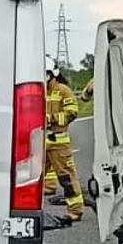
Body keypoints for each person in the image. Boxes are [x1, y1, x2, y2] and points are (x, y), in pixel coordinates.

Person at [43, 67, 85, 223]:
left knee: (67, 178)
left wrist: (51, 119)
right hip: (40, 142)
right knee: (31, 176)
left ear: (52, 74)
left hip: (58, 143)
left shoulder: (63, 90)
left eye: (46, 73)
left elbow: (72, 113)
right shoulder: (39, 90)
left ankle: (75, 211)